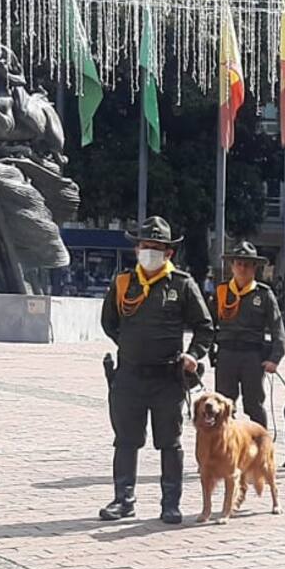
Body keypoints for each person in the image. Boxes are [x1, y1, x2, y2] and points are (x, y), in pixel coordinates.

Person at [100, 216, 214, 526]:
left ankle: (170, 503)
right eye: (144, 245)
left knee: (169, 442)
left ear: (169, 253)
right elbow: (109, 322)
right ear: (136, 249)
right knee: (126, 440)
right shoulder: (123, 283)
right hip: (129, 376)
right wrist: (131, 345)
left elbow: (205, 327)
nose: (149, 251)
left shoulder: (181, 284)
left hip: (167, 378)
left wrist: (193, 355)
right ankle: (123, 500)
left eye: (156, 247)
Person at [210, 242, 285, 429]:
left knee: (254, 404)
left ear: (254, 268)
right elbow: (208, 324)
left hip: (252, 356)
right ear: (232, 266)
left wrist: (274, 358)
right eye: (239, 264)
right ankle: (226, 443)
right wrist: (209, 350)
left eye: (247, 265)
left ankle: (261, 443)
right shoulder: (221, 292)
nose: (242, 268)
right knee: (224, 405)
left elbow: (277, 329)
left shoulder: (264, 294)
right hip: (226, 355)